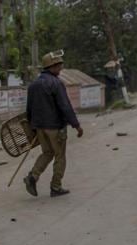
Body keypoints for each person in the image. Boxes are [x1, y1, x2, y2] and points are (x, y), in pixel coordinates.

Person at [23, 50, 83, 198]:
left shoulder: (33, 85)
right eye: (59, 65)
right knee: (59, 156)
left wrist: (32, 129)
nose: (61, 68)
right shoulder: (56, 83)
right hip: (55, 128)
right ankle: (56, 187)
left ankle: (32, 177)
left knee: (47, 153)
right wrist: (76, 125)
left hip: (39, 128)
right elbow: (65, 106)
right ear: (53, 66)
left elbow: (29, 109)